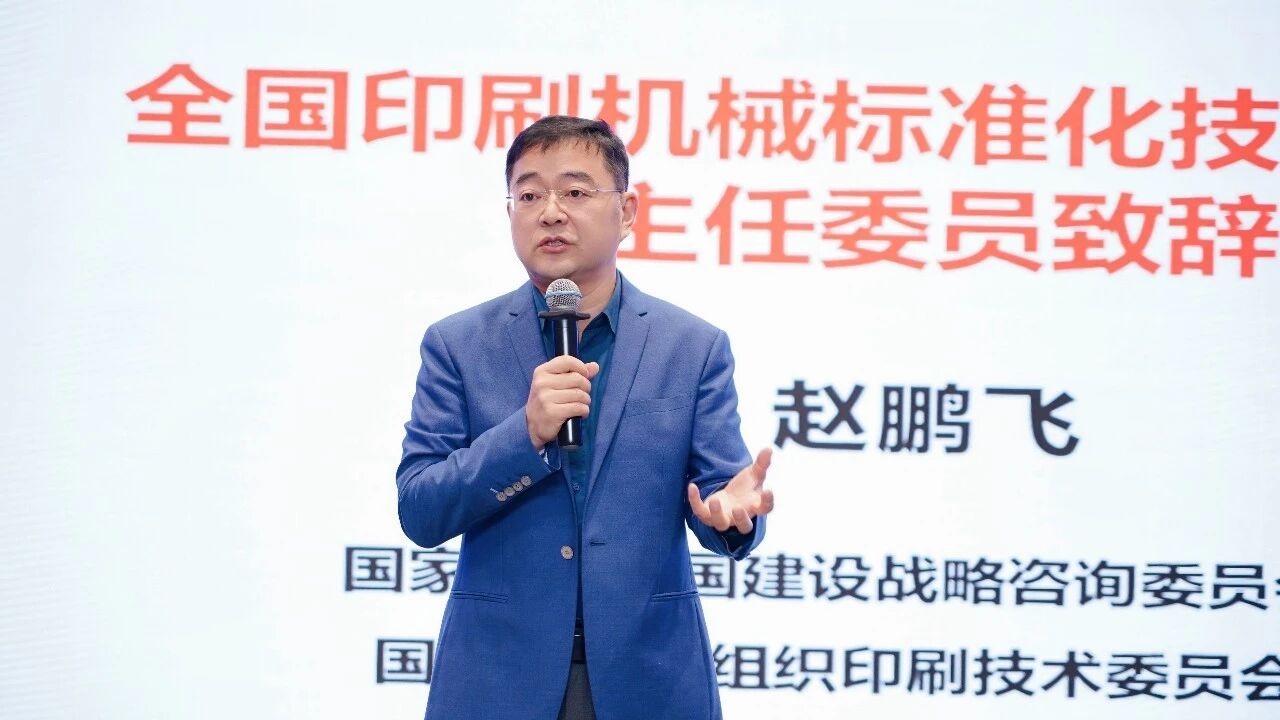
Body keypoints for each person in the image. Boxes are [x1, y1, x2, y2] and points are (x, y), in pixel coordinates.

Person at [397, 116, 775, 720]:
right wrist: (525, 435)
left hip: (649, 679)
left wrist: (731, 516)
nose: (550, 213)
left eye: (575, 191)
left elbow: (720, 495)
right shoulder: (458, 345)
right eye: (529, 195)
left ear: (626, 212)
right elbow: (420, 508)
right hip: (497, 678)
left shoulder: (692, 347)